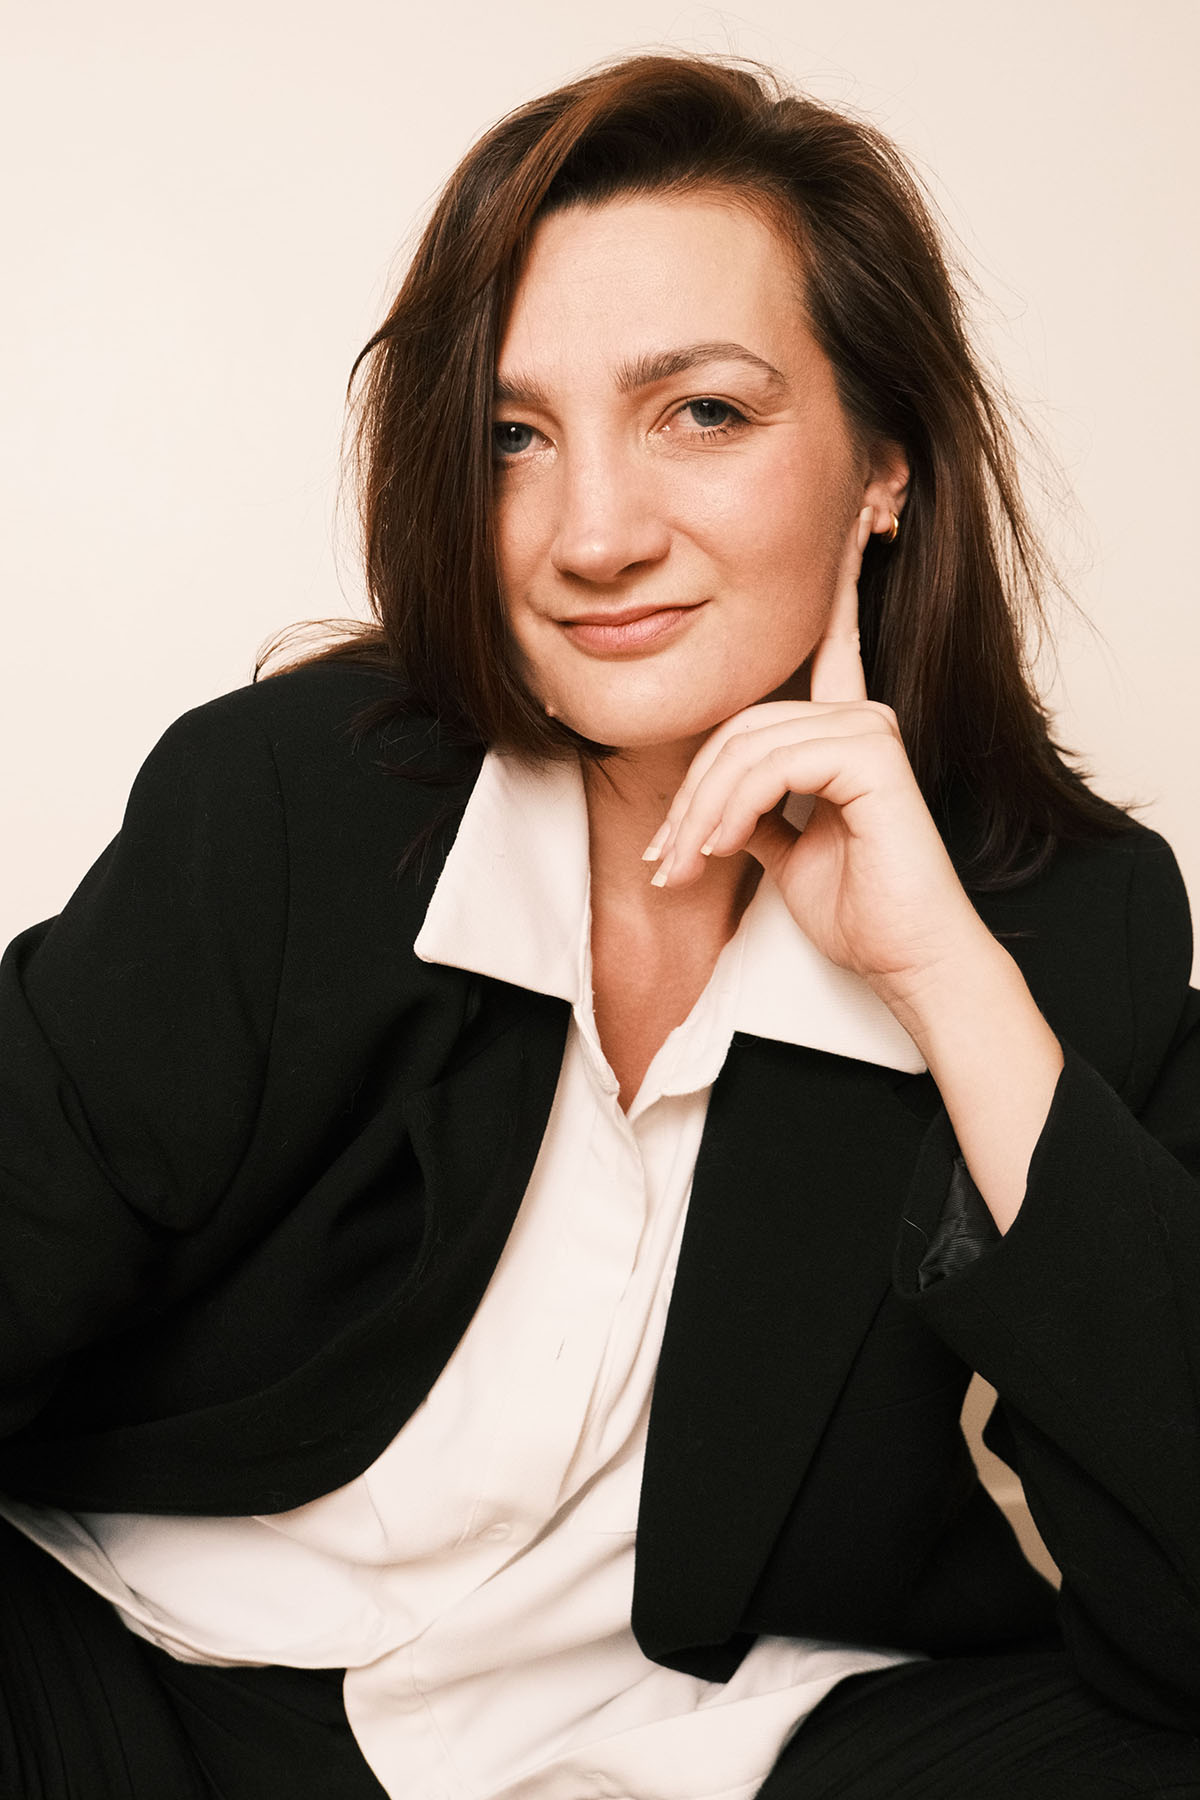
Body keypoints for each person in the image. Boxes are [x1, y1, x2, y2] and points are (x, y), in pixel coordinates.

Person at [1, 50, 1198, 1800]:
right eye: (513, 436)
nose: (591, 535)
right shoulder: (292, 806)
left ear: (888, 465)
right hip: (154, 1679)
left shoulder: (1063, 923)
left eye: (701, 412)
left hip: (674, 1747)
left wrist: (946, 979)